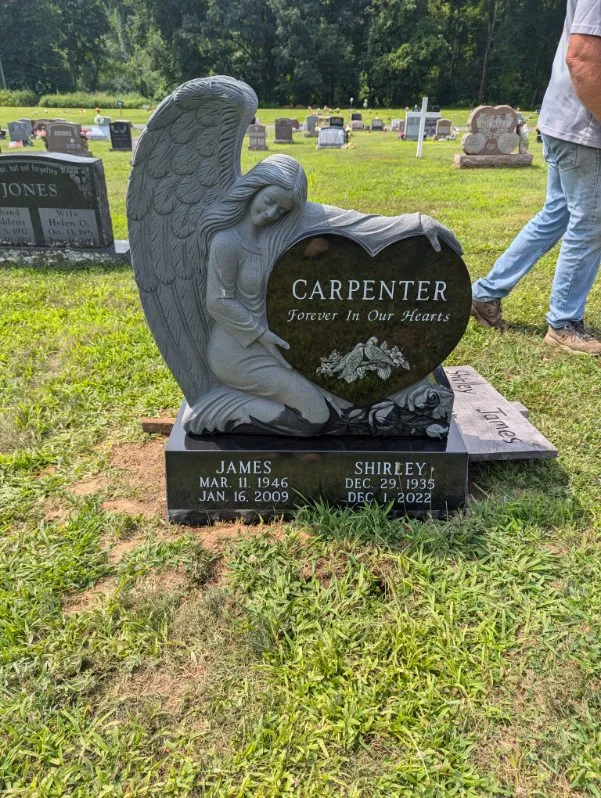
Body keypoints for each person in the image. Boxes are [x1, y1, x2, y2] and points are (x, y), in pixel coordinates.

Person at [471, 0, 601, 354]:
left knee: (556, 215)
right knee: (590, 223)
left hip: (567, 120)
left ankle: (485, 294)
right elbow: (582, 58)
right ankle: (564, 323)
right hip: (585, 126)